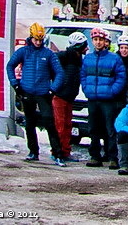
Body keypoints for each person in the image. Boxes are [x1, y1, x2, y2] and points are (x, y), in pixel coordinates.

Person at [6, 22, 66, 166]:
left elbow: (59, 72)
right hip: (26, 90)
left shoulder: (48, 53)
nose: (38, 42)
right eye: (36, 40)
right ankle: (33, 151)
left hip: (43, 92)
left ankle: (58, 153)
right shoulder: (24, 51)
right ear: (31, 38)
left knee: (49, 122)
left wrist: (53, 89)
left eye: (40, 40)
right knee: (30, 122)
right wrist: (15, 84)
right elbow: (10, 65)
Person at [81, 27, 127, 169]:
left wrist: (112, 91)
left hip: (108, 100)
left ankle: (113, 157)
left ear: (106, 42)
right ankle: (95, 156)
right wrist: (86, 89)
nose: (98, 42)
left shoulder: (114, 58)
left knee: (110, 129)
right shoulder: (88, 58)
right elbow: (83, 75)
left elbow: (121, 77)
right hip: (93, 99)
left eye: (101, 40)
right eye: (95, 39)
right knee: (93, 128)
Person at [53, 31, 88, 161]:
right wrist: (54, 88)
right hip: (60, 95)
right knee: (60, 126)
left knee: (68, 126)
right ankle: (57, 152)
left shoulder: (79, 59)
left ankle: (65, 152)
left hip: (70, 97)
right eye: (85, 45)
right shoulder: (62, 56)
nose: (87, 48)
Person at [116, 35, 128, 100]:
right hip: (118, 94)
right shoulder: (115, 60)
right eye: (121, 48)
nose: (124, 50)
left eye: (126, 48)